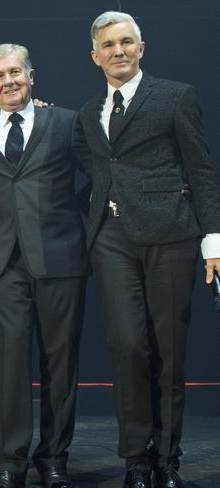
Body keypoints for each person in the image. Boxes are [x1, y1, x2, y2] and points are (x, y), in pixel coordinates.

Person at [74, 11, 220, 488]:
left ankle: (168, 458)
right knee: (128, 348)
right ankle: (136, 459)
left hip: (171, 236)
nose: (118, 51)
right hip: (111, 241)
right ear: (95, 56)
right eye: (109, 45)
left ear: (141, 47)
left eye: (126, 42)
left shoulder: (176, 96)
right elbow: (95, 168)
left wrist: (213, 239)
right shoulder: (89, 111)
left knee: (170, 351)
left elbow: (201, 170)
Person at [0, 44, 88, 488]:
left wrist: (68, 215)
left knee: (60, 363)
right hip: (6, 263)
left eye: (15, 73)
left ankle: (54, 458)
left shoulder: (65, 121)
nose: (8, 82)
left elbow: (98, 173)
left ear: (31, 76)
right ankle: (9, 460)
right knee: (11, 362)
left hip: (60, 257)